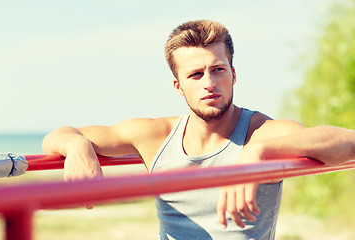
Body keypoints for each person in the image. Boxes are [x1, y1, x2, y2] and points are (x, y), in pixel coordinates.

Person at [42, 20, 355, 240]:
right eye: (195, 75)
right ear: (178, 86)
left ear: (233, 74)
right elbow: (60, 135)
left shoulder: (262, 133)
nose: (209, 83)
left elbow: (348, 141)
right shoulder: (156, 135)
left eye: (218, 70)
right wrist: (78, 147)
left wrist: (258, 153)